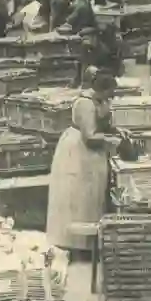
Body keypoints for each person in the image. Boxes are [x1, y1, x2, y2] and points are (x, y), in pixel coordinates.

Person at [46, 71, 122, 256]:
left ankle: (87, 242)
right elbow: (89, 136)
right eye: (109, 93)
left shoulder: (97, 101)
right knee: (80, 196)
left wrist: (115, 130)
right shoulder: (86, 104)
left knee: (91, 196)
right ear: (101, 90)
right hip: (79, 152)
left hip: (89, 152)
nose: (111, 97)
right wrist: (111, 140)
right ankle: (76, 242)